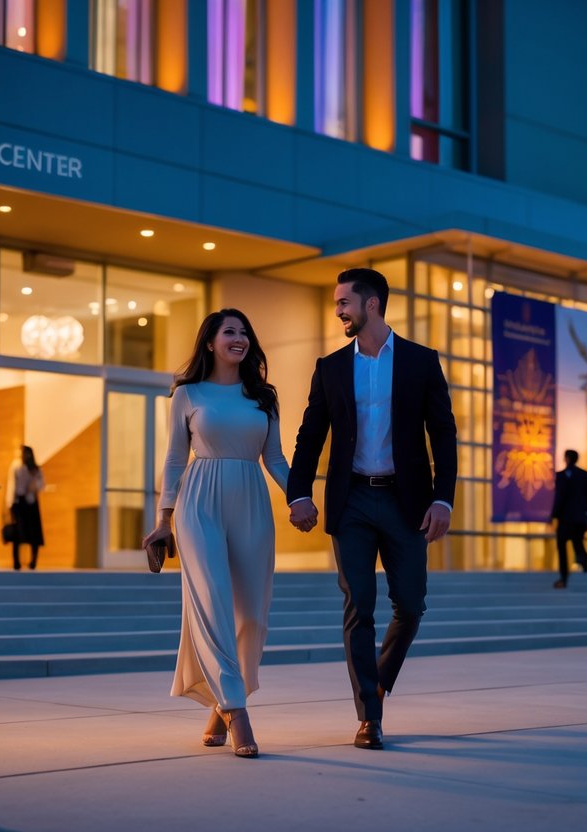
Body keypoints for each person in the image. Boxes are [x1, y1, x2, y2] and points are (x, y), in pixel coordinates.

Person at [287, 267, 457, 751]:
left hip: (407, 502)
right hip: (353, 501)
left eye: (344, 302)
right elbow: (310, 435)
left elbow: (443, 433)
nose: (338, 311)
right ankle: (369, 715)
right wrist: (299, 493)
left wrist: (442, 497)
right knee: (358, 604)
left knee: (411, 605)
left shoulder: (421, 362)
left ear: (372, 304)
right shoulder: (331, 367)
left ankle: (378, 682)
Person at [142, 308, 289, 759]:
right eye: (229, 332)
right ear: (210, 342)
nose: (239, 338)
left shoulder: (263, 397)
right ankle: (237, 710)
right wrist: (163, 519)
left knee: (252, 615)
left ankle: (220, 704)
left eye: (245, 332)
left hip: (251, 500)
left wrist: (299, 497)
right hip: (198, 503)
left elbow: (275, 458)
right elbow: (174, 459)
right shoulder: (187, 394)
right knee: (211, 603)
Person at [549, 449, 587, 588]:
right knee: (578, 547)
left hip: (566, 520)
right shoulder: (586, 476)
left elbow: (558, 499)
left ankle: (564, 578)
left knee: (563, 548)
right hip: (579, 519)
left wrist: (552, 516)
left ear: (566, 458)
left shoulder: (561, 476)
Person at [5, 446, 45, 570]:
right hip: (19, 503)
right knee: (18, 533)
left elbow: (42, 484)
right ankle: (16, 562)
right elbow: (12, 485)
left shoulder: (36, 469)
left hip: (31, 503)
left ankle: (33, 561)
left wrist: (34, 486)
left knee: (34, 533)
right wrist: (10, 503)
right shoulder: (17, 466)